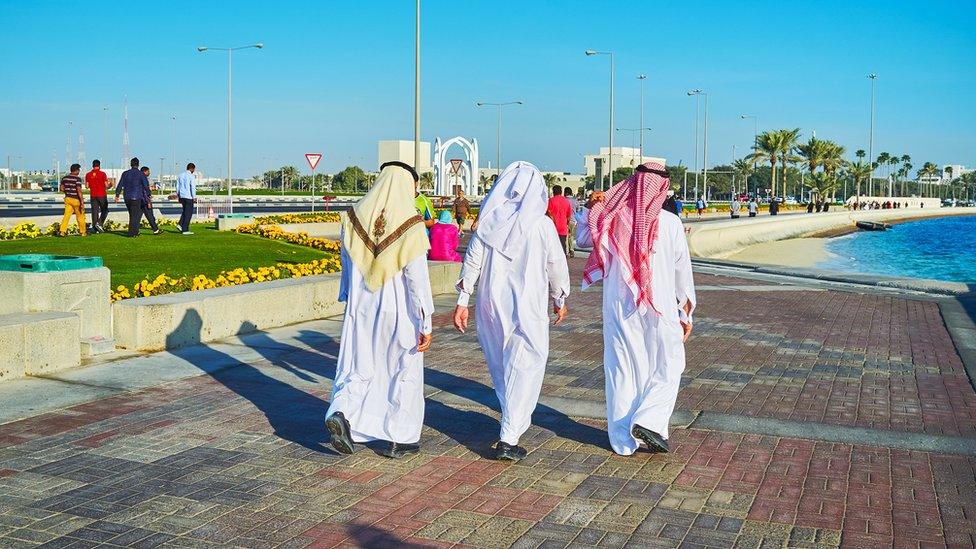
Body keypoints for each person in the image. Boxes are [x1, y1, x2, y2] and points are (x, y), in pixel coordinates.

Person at [575, 162, 695, 456]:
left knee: (623, 369)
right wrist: (685, 311)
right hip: (661, 307)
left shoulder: (613, 219)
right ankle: (649, 421)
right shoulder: (671, 223)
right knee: (669, 364)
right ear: (663, 188)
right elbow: (683, 272)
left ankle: (624, 440)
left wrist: (592, 208)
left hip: (620, 308)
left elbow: (581, 239)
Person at [453, 161, 570, 461]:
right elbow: (555, 266)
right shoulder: (542, 225)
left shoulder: (489, 222)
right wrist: (559, 297)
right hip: (527, 307)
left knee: (503, 364)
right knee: (527, 363)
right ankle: (509, 435)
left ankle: (510, 418)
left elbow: (473, 262)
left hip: (491, 305)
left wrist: (463, 300)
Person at [325, 161, 434, 459]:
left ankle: (341, 412)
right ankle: (400, 437)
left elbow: (346, 264)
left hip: (361, 307)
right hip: (398, 311)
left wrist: (347, 294)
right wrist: (426, 320)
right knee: (403, 369)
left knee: (357, 366)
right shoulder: (410, 224)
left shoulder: (352, 218)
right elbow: (416, 280)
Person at [115, 157, 150, 237]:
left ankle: (135, 231)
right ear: (138, 164)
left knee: (132, 214)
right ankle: (132, 233)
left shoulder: (125, 173)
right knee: (135, 216)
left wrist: (117, 195)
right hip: (136, 197)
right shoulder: (141, 174)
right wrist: (149, 194)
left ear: (131, 164)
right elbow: (146, 185)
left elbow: (120, 185)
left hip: (127, 197)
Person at [58, 163, 87, 237]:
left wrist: (67, 192)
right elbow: (79, 191)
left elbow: (61, 188)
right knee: (80, 216)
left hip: (67, 199)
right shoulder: (77, 179)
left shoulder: (64, 178)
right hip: (76, 200)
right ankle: (83, 232)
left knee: (66, 216)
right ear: (76, 170)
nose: (79, 171)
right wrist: (82, 202)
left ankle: (62, 231)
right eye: (79, 170)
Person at [546, 184, 572, 257]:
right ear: (561, 192)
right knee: (562, 245)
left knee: (552, 247)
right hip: (563, 227)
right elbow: (569, 216)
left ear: (553, 192)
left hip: (553, 227)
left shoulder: (550, 201)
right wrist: (567, 224)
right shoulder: (566, 201)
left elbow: (547, 213)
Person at [85, 159, 109, 233]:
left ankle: (95, 228)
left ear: (92, 165)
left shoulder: (88, 174)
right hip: (102, 195)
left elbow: (86, 186)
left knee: (94, 212)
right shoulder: (102, 174)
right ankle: (99, 223)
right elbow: (106, 185)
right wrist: (110, 185)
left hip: (93, 195)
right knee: (105, 210)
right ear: (99, 165)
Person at [140, 167, 162, 235]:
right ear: (145, 171)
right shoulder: (144, 179)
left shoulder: (138, 178)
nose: (149, 173)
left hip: (138, 199)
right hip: (145, 200)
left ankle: (134, 230)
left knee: (137, 216)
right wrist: (148, 200)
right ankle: (155, 229)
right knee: (150, 215)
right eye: (148, 171)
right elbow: (145, 190)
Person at [176, 163, 197, 235]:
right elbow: (193, 187)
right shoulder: (191, 176)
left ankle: (180, 224)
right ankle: (185, 229)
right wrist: (194, 197)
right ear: (192, 168)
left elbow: (177, 186)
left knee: (185, 211)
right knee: (188, 213)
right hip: (189, 196)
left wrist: (178, 195)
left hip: (182, 196)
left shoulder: (180, 175)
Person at [564, 186, 579, 258]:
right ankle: (572, 249)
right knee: (572, 236)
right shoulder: (575, 201)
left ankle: (566, 252)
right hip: (573, 221)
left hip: (566, 220)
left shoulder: (564, 200)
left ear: (566, 192)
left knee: (566, 236)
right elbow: (578, 210)